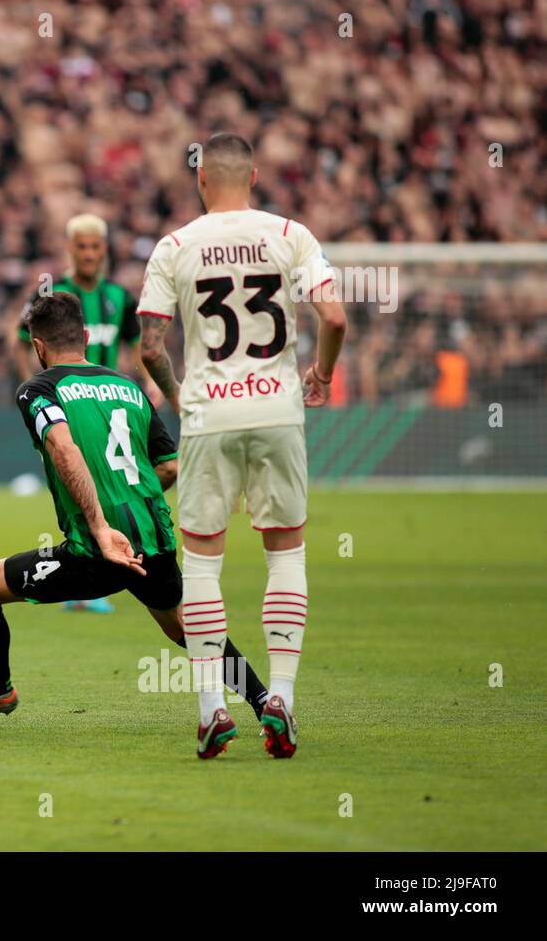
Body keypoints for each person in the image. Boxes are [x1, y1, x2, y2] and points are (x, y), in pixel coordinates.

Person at [0, 292, 270, 747]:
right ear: (87, 338)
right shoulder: (129, 387)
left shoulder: (38, 389)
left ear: (37, 345)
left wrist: (99, 526)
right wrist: (133, 506)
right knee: (185, 628)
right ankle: (264, 701)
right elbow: (169, 465)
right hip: (155, 538)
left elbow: (63, 447)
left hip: (95, 550)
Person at [137, 132, 347, 758]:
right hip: (279, 413)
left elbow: (151, 347)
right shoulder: (291, 234)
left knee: (201, 563)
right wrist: (323, 376)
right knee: (285, 552)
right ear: (253, 175)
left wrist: (182, 399)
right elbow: (334, 318)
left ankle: (212, 709)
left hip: (210, 418)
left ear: (201, 178)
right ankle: (279, 695)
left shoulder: (174, 246)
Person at [14, 213, 142, 616]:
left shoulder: (119, 298)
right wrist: (34, 389)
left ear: (104, 249)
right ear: (70, 249)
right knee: (75, 485)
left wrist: (136, 384)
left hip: (106, 409)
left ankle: (92, 572)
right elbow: (19, 339)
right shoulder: (52, 294)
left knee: (98, 486)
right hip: (62, 411)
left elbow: (136, 343)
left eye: (95, 246)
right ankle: (90, 575)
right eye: (81, 246)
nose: (88, 254)